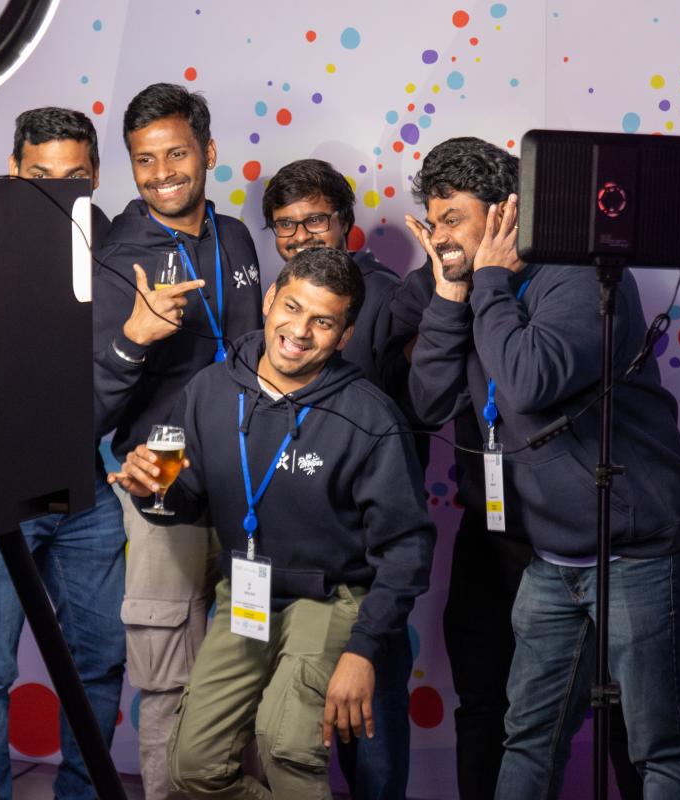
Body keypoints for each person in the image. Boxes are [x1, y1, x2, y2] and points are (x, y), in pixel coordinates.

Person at [405, 137, 680, 798]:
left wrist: (487, 284)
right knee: (528, 738)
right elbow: (429, 403)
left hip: (634, 550)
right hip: (552, 556)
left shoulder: (580, 277)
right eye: (433, 221)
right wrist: (451, 296)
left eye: (453, 218)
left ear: (506, 213)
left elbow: (528, 381)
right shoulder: (472, 289)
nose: (440, 236)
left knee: (658, 744)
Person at [110, 246, 436, 799]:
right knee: (192, 764)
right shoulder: (210, 390)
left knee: (287, 745)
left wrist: (363, 650)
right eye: (292, 307)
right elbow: (186, 499)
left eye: (323, 322)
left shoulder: (371, 417)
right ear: (268, 302)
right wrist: (152, 490)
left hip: (330, 597)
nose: (299, 331)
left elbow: (407, 549)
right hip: (245, 593)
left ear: (345, 335)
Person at [92, 82, 263, 799]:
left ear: (209, 152)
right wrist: (135, 337)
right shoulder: (116, 256)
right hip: (160, 464)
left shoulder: (236, 238)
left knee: (250, 668)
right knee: (167, 677)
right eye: (144, 159)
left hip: (248, 467)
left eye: (177, 154)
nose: (161, 173)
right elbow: (87, 408)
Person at [0, 107, 128, 800]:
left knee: (100, 659)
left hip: (87, 486)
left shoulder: (116, 246)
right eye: (40, 175)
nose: (57, 191)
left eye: (74, 177)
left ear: (96, 175)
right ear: (13, 170)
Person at [261, 159, 411, 800]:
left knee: (369, 717)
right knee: (288, 725)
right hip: (287, 544)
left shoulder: (388, 298)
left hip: (365, 547)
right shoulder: (281, 300)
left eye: (315, 219)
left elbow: (423, 404)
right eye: (285, 224)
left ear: (345, 222)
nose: (300, 235)